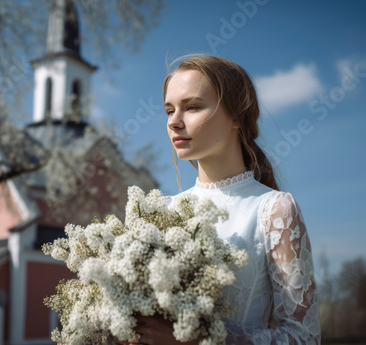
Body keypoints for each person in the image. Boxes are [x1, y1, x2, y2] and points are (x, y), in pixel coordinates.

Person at [116, 55, 321, 344]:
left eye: (193, 107)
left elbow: (305, 337)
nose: (174, 122)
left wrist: (196, 340)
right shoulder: (160, 211)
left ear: (237, 115)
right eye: (169, 110)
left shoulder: (274, 209)